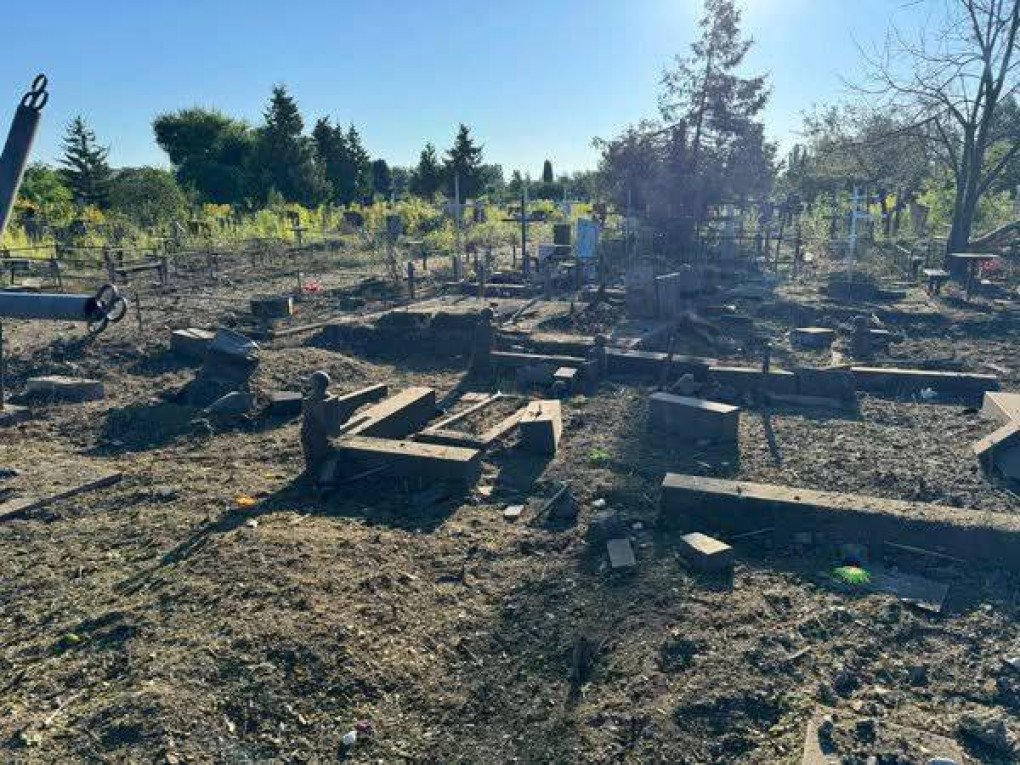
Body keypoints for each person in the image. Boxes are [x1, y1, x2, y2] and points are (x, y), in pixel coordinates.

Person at [301, 370, 345, 481]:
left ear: (313, 385)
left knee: (313, 455)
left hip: (314, 435)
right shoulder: (330, 398)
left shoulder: (309, 401)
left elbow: (307, 420)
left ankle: (314, 474)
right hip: (324, 435)